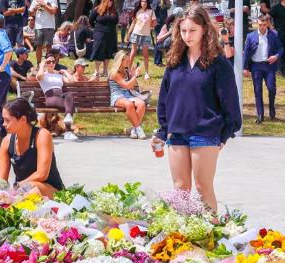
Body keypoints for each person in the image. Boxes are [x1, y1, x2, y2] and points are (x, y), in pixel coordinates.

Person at [152, 6, 242, 212]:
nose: (187, 35)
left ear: (204, 29)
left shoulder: (219, 63)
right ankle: (180, 239)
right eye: (183, 30)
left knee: (203, 189)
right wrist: (162, 131)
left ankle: (211, 237)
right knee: (180, 190)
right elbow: (165, 100)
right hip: (176, 135)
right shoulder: (174, 62)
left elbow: (230, 103)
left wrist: (225, 134)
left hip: (206, 134)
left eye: (192, 30)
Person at [0, 99, 64, 198]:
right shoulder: (6, 142)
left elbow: (42, 174)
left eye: (7, 120)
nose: (3, 124)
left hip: (48, 189)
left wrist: (18, 186)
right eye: (3, 120)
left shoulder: (42, 135)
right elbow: (1, 180)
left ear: (23, 119)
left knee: (32, 187)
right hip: (21, 191)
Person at [243, 14, 282, 124]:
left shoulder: (273, 35)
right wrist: (245, 68)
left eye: (264, 25)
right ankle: (260, 115)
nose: (262, 27)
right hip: (256, 66)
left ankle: (271, 107)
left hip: (269, 66)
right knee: (257, 90)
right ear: (257, 24)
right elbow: (246, 53)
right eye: (260, 25)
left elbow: (280, 48)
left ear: (267, 24)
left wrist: (276, 56)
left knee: (271, 88)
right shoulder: (251, 36)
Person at [36, 52, 79, 141]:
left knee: (69, 94)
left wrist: (65, 72)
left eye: (53, 61)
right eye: (49, 62)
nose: (51, 63)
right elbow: (39, 76)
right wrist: (41, 66)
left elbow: (71, 81)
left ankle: (68, 120)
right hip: (51, 97)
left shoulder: (58, 74)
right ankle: (68, 131)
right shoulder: (43, 74)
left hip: (61, 96)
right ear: (45, 63)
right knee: (70, 106)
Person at [108, 50, 147, 139]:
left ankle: (134, 129)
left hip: (127, 95)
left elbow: (131, 87)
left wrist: (132, 75)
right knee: (129, 104)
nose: (129, 62)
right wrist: (135, 76)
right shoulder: (114, 73)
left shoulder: (125, 71)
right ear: (120, 61)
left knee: (141, 104)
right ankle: (139, 129)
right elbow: (126, 85)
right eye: (127, 61)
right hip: (117, 96)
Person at [127, 0, 156, 79]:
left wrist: (153, 23)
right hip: (136, 33)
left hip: (146, 35)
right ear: (140, 2)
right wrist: (129, 33)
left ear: (148, 3)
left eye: (145, 2)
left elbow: (154, 23)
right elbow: (133, 23)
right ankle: (128, 70)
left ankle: (146, 73)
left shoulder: (151, 11)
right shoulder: (137, 11)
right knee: (133, 52)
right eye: (142, 1)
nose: (144, 3)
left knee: (145, 54)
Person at [89, 0, 118, 77]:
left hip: (111, 35)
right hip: (99, 34)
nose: (111, 3)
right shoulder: (97, 10)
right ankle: (97, 71)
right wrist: (96, 29)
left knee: (108, 52)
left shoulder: (114, 11)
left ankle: (105, 71)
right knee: (99, 51)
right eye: (109, 1)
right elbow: (91, 20)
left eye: (112, 1)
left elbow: (116, 21)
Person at [272, 0, 285, 76]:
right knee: (281, 51)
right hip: (280, 33)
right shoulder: (276, 7)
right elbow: (267, 16)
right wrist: (271, 28)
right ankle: (280, 70)